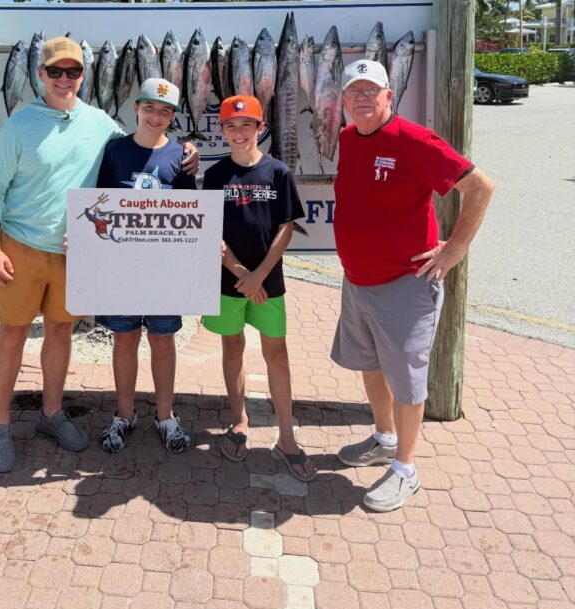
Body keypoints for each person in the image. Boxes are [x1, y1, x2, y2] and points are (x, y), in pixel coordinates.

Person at [0, 38, 198, 473]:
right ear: (40, 74)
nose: (64, 79)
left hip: (74, 253)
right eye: (55, 71)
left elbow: (147, 143)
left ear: (83, 76)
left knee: (60, 332)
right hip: (20, 246)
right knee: (11, 335)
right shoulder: (19, 124)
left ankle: (51, 413)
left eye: (73, 72)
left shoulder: (101, 124)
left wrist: (185, 149)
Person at [331, 58, 494, 512]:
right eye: (353, 91)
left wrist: (453, 250)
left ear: (389, 95)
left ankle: (405, 468)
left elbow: (481, 187)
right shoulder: (348, 138)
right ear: (343, 101)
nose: (362, 98)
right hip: (358, 282)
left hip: (405, 284)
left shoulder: (415, 140)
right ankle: (384, 439)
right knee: (370, 364)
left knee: (406, 380)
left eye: (371, 90)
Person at [201, 95, 316, 482]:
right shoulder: (216, 175)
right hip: (227, 280)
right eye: (231, 126)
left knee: (277, 355)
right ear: (222, 130)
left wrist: (259, 276)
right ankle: (239, 420)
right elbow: (210, 231)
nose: (238, 132)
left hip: (269, 282)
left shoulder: (278, 171)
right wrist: (240, 272)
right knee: (232, 347)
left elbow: (286, 227)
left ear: (260, 128)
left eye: (246, 125)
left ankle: (287, 437)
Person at [95, 77, 196, 455]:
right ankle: (125, 414)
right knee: (124, 338)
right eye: (149, 107)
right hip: (120, 266)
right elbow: (98, 204)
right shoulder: (114, 150)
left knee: (163, 338)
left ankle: (166, 416)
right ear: (135, 108)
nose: (156, 116)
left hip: (164, 269)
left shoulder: (180, 156)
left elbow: (191, 215)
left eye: (165, 111)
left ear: (172, 117)